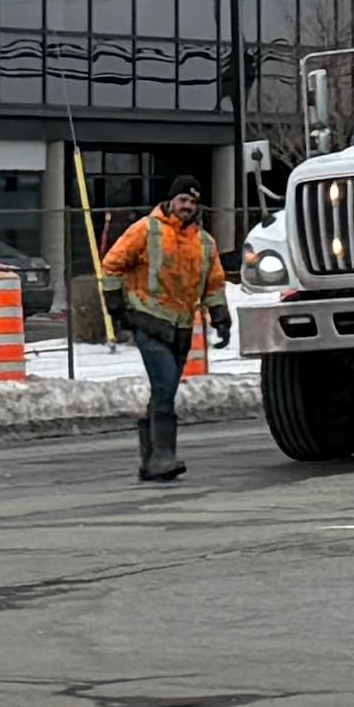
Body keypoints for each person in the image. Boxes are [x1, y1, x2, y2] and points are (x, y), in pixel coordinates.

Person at [99, 183, 224, 482]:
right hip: (148, 320)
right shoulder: (145, 229)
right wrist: (116, 305)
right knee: (166, 386)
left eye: (193, 202)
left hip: (181, 327)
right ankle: (164, 456)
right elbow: (112, 264)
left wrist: (221, 317)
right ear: (171, 200)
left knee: (163, 390)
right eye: (183, 199)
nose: (187, 206)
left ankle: (150, 461)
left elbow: (214, 284)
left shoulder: (205, 243)